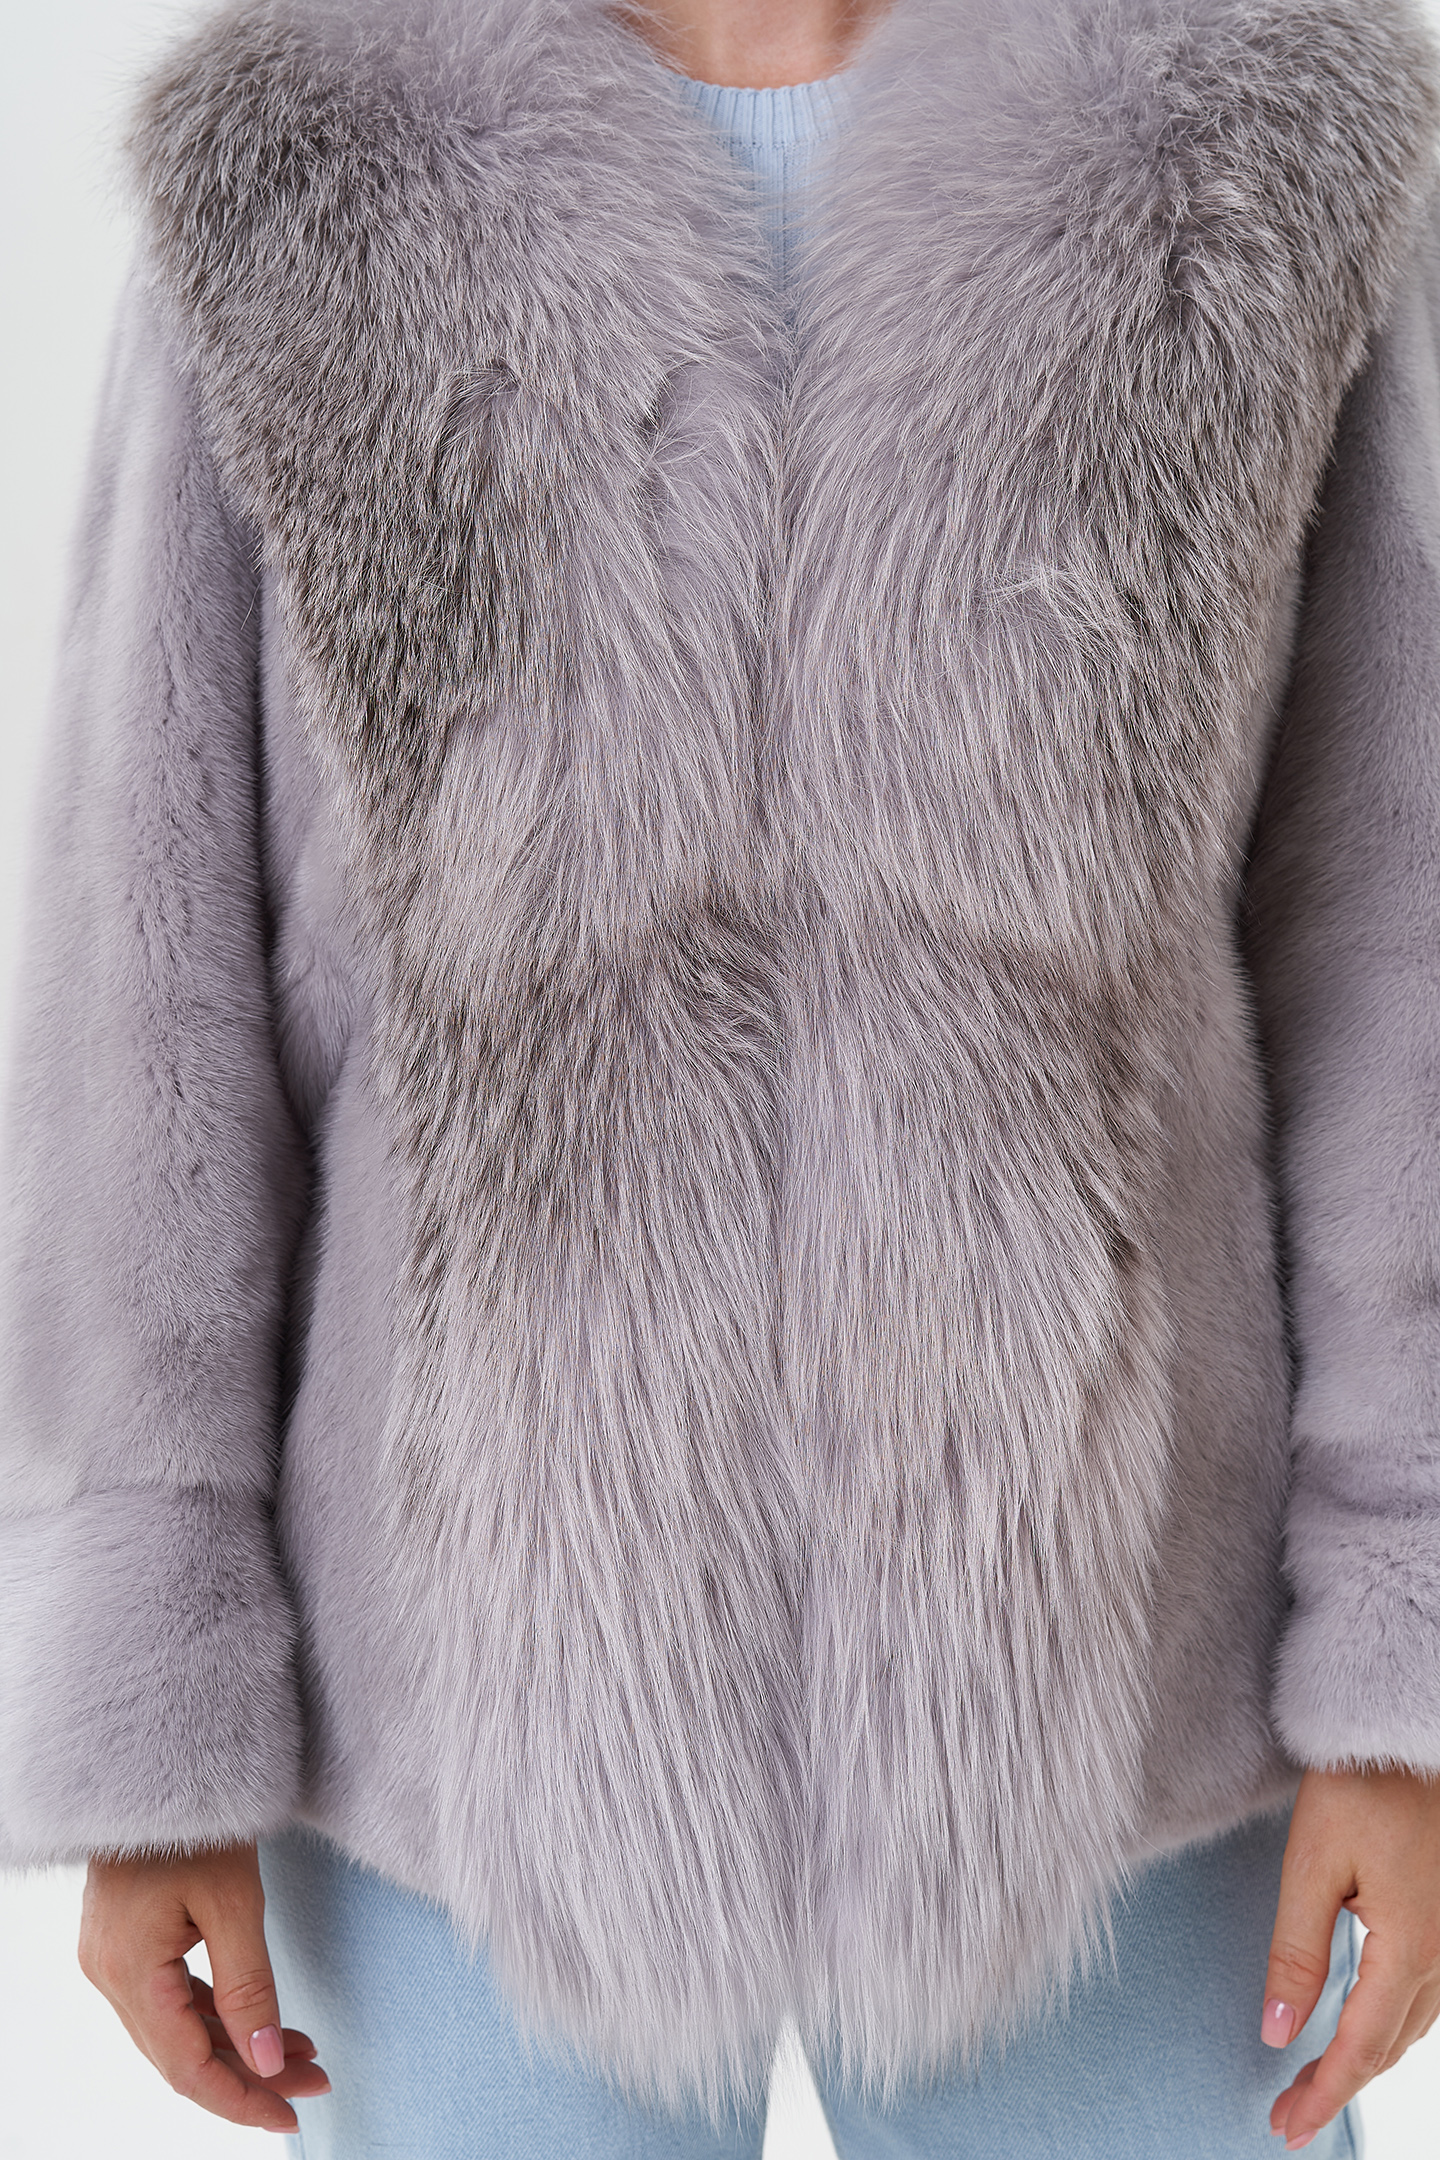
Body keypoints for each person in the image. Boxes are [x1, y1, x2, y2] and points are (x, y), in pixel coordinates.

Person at [4, 0, 1440, 2151]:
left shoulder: (1238, 132)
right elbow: (150, 976)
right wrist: (153, 1719)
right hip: (477, 1718)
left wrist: (1403, 1686)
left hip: (1117, 1700)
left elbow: (1389, 956)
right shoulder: (308, 159)